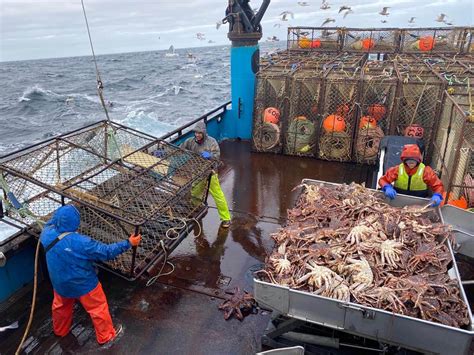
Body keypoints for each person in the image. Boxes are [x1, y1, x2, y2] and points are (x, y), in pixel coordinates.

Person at [40, 205, 141, 345]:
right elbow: (106, 252)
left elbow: (50, 222)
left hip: (59, 283)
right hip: (84, 284)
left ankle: (60, 331)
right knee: (98, 308)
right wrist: (128, 243)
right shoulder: (82, 243)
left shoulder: (46, 234)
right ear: (75, 222)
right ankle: (106, 336)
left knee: (60, 307)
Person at [181, 121, 231, 227]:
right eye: (196, 133)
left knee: (218, 195)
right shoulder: (190, 142)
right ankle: (196, 210)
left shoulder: (211, 142)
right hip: (198, 173)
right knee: (195, 193)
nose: (197, 135)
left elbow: (217, 156)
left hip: (210, 172)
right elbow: (179, 149)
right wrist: (163, 152)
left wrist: (210, 155)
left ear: (204, 133)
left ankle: (226, 218)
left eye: (200, 133)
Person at [378, 144, 444, 206]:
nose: (410, 163)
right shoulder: (397, 169)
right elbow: (383, 180)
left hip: (419, 202)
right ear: (404, 161)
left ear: (418, 160)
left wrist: (437, 195)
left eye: (413, 161)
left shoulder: (426, 171)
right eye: (408, 161)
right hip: (398, 199)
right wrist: (387, 187)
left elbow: (438, 186)